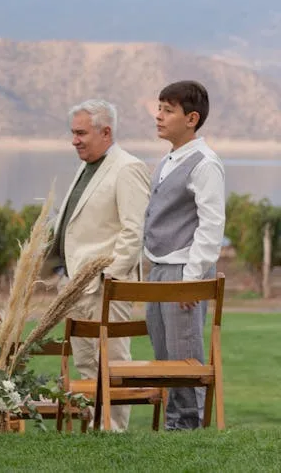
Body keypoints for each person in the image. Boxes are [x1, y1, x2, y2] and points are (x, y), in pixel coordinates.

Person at [45, 99, 150, 431]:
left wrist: (111, 280)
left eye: (81, 133)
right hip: (75, 284)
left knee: (112, 360)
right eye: (73, 133)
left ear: (106, 132)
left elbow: (134, 231)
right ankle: (94, 428)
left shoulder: (128, 167)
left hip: (104, 286)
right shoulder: (86, 166)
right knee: (87, 362)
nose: (74, 140)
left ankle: (114, 431)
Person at [143, 80, 226, 431]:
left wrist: (192, 280)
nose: (158, 116)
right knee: (164, 356)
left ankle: (188, 430)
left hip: (183, 273)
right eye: (159, 108)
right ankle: (174, 429)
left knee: (184, 356)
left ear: (191, 118)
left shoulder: (205, 163)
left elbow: (211, 226)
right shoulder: (167, 160)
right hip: (159, 269)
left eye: (168, 110)